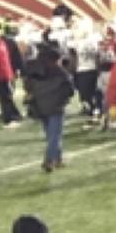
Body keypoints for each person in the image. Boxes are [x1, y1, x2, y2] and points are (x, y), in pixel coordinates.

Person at [21, 42, 74, 173]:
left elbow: (27, 86)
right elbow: (70, 89)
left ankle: (58, 159)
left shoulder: (32, 68)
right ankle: (49, 159)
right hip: (55, 106)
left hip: (39, 106)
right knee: (55, 135)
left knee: (51, 135)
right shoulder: (60, 71)